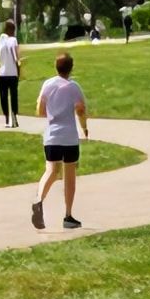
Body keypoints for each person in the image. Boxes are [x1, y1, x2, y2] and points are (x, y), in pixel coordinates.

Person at [31, 52, 89, 231]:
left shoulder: (48, 85)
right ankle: (68, 215)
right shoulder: (74, 87)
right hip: (69, 136)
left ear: (56, 67)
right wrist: (84, 127)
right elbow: (80, 110)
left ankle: (39, 199)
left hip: (51, 135)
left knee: (51, 169)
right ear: (71, 68)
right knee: (69, 175)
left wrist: (51, 112)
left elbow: (40, 110)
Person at [0, 19, 22, 128]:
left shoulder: (0, 41)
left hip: (2, 72)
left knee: (3, 96)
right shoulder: (13, 40)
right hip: (12, 73)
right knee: (14, 96)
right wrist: (19, 70)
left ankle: (6, 118)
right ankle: (14, 117)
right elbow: (16, 57)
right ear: (11, 30)